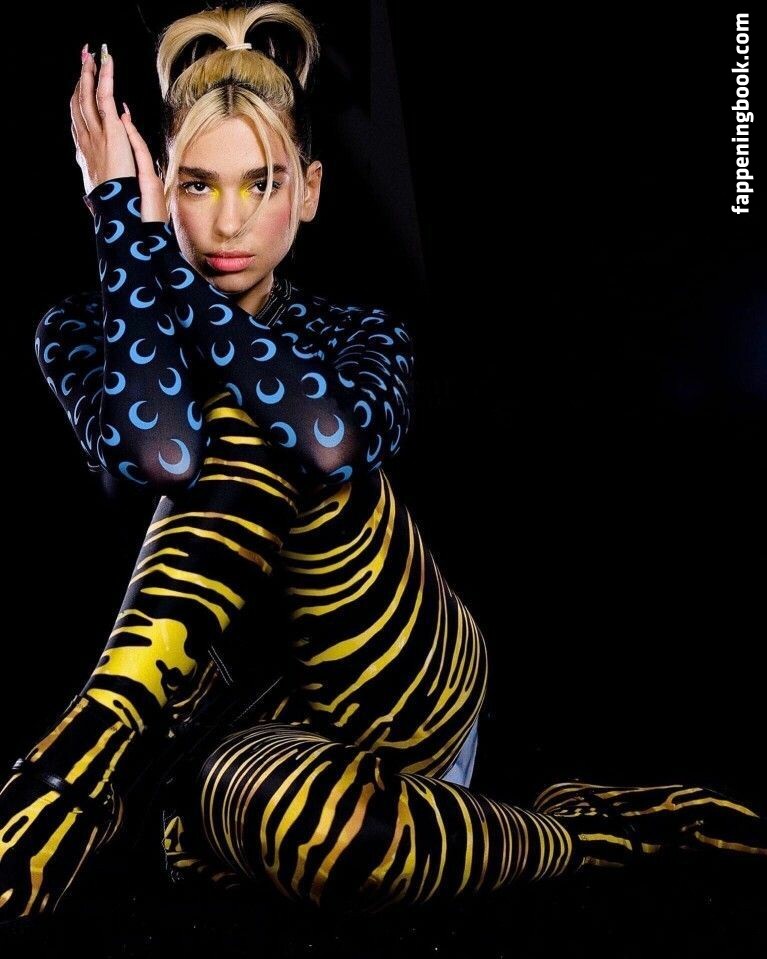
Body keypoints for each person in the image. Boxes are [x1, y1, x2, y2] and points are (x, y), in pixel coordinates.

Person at [2, 1, 765, 924]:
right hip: (249, 743)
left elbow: (323, 439)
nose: (228, 223)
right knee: (317, 835)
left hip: (403, 687)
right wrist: (124, 231)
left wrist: (152, 254)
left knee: (271, 420)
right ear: (160, 188)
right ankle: (584, 834)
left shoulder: (359, 334)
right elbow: (160, 451)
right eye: (196, 186)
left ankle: (78, 758)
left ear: (310, 191)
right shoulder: (82, 331)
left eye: (261, 183)